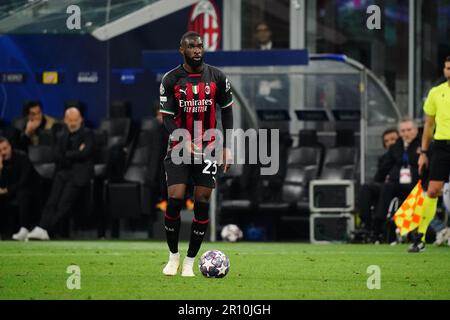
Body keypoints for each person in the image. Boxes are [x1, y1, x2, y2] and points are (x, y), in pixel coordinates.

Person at [159, 31, 234, 277]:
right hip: (180, 147)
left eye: (200, 46)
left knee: (202, 201)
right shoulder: (171, 79)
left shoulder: (217, 76)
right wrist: (182, 138)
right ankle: (173, 257)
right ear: (182, 49)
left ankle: (190, 262)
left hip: (209, 146)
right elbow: (167, 118)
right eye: (191, 46)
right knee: (176, 198)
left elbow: (227, 111)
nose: (197, 50)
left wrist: (227, 146)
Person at [26, 107, 94, 240]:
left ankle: (46, 229)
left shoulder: (87, 134)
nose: (73, 123)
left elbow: (86, 153)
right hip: (63, 172)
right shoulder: (61, 135)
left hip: (79, 174)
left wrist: (67, 154)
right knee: (52, 200)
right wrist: (75, 153)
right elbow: (56, 155)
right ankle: (41, 227)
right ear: (65, 120)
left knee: (63, 203)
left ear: (81, 120)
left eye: (75, 120)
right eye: (70, 120)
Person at [411, 56, 450, 253]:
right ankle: (420, 238)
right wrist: (424, 153)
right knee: (432, 190)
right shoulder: (436, 92)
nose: (449, 72)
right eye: (447, 68)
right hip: (442, 146)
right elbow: (428, 124)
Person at [371, 118, 421, 242]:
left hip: (416, 184)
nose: (406, 134)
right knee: (384, 187)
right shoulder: (396, 147)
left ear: (415, 130)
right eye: (403, 131)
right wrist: (376, 182)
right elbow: (385, 167)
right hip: (397, 184)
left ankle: (405, 229)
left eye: (409, 130)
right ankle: (378, 226)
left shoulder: (423, 145)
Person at [357, 129, 399, 240]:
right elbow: (378, 177)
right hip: (385, 187)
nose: (390, 142)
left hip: (400, 187)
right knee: (366, 187)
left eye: (393, 139)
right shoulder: (383, 158)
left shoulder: (405, 155)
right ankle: (366, 223)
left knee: (387, 187)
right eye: (387, 141)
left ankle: (378, 224)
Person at [0, 137, 40, 240]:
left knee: (23, 193)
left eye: (5, 148)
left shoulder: (22, 158)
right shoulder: (1, 163)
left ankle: (24, 228)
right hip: (11, 191)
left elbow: (24, 181)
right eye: (0, 151)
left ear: (10, 147)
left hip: (31, 189)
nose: (3, 152)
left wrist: (7, 190)